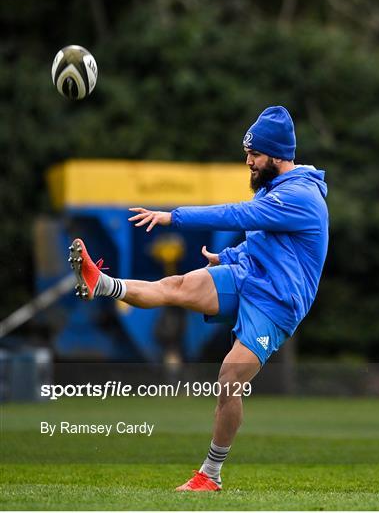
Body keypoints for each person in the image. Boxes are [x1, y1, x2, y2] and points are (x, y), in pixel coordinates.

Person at [69, 106, 329, 491]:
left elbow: (239, 216)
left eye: (254, 155)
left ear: (276, 155)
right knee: (175, 286)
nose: (248, 162)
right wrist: (227, 258)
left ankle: (210, 474)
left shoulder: (300, 196)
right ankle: (101, 283)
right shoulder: (275, 189)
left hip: (277, 304)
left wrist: (174, 217)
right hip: (248, 278)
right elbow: (265, 245)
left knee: (228, 380)